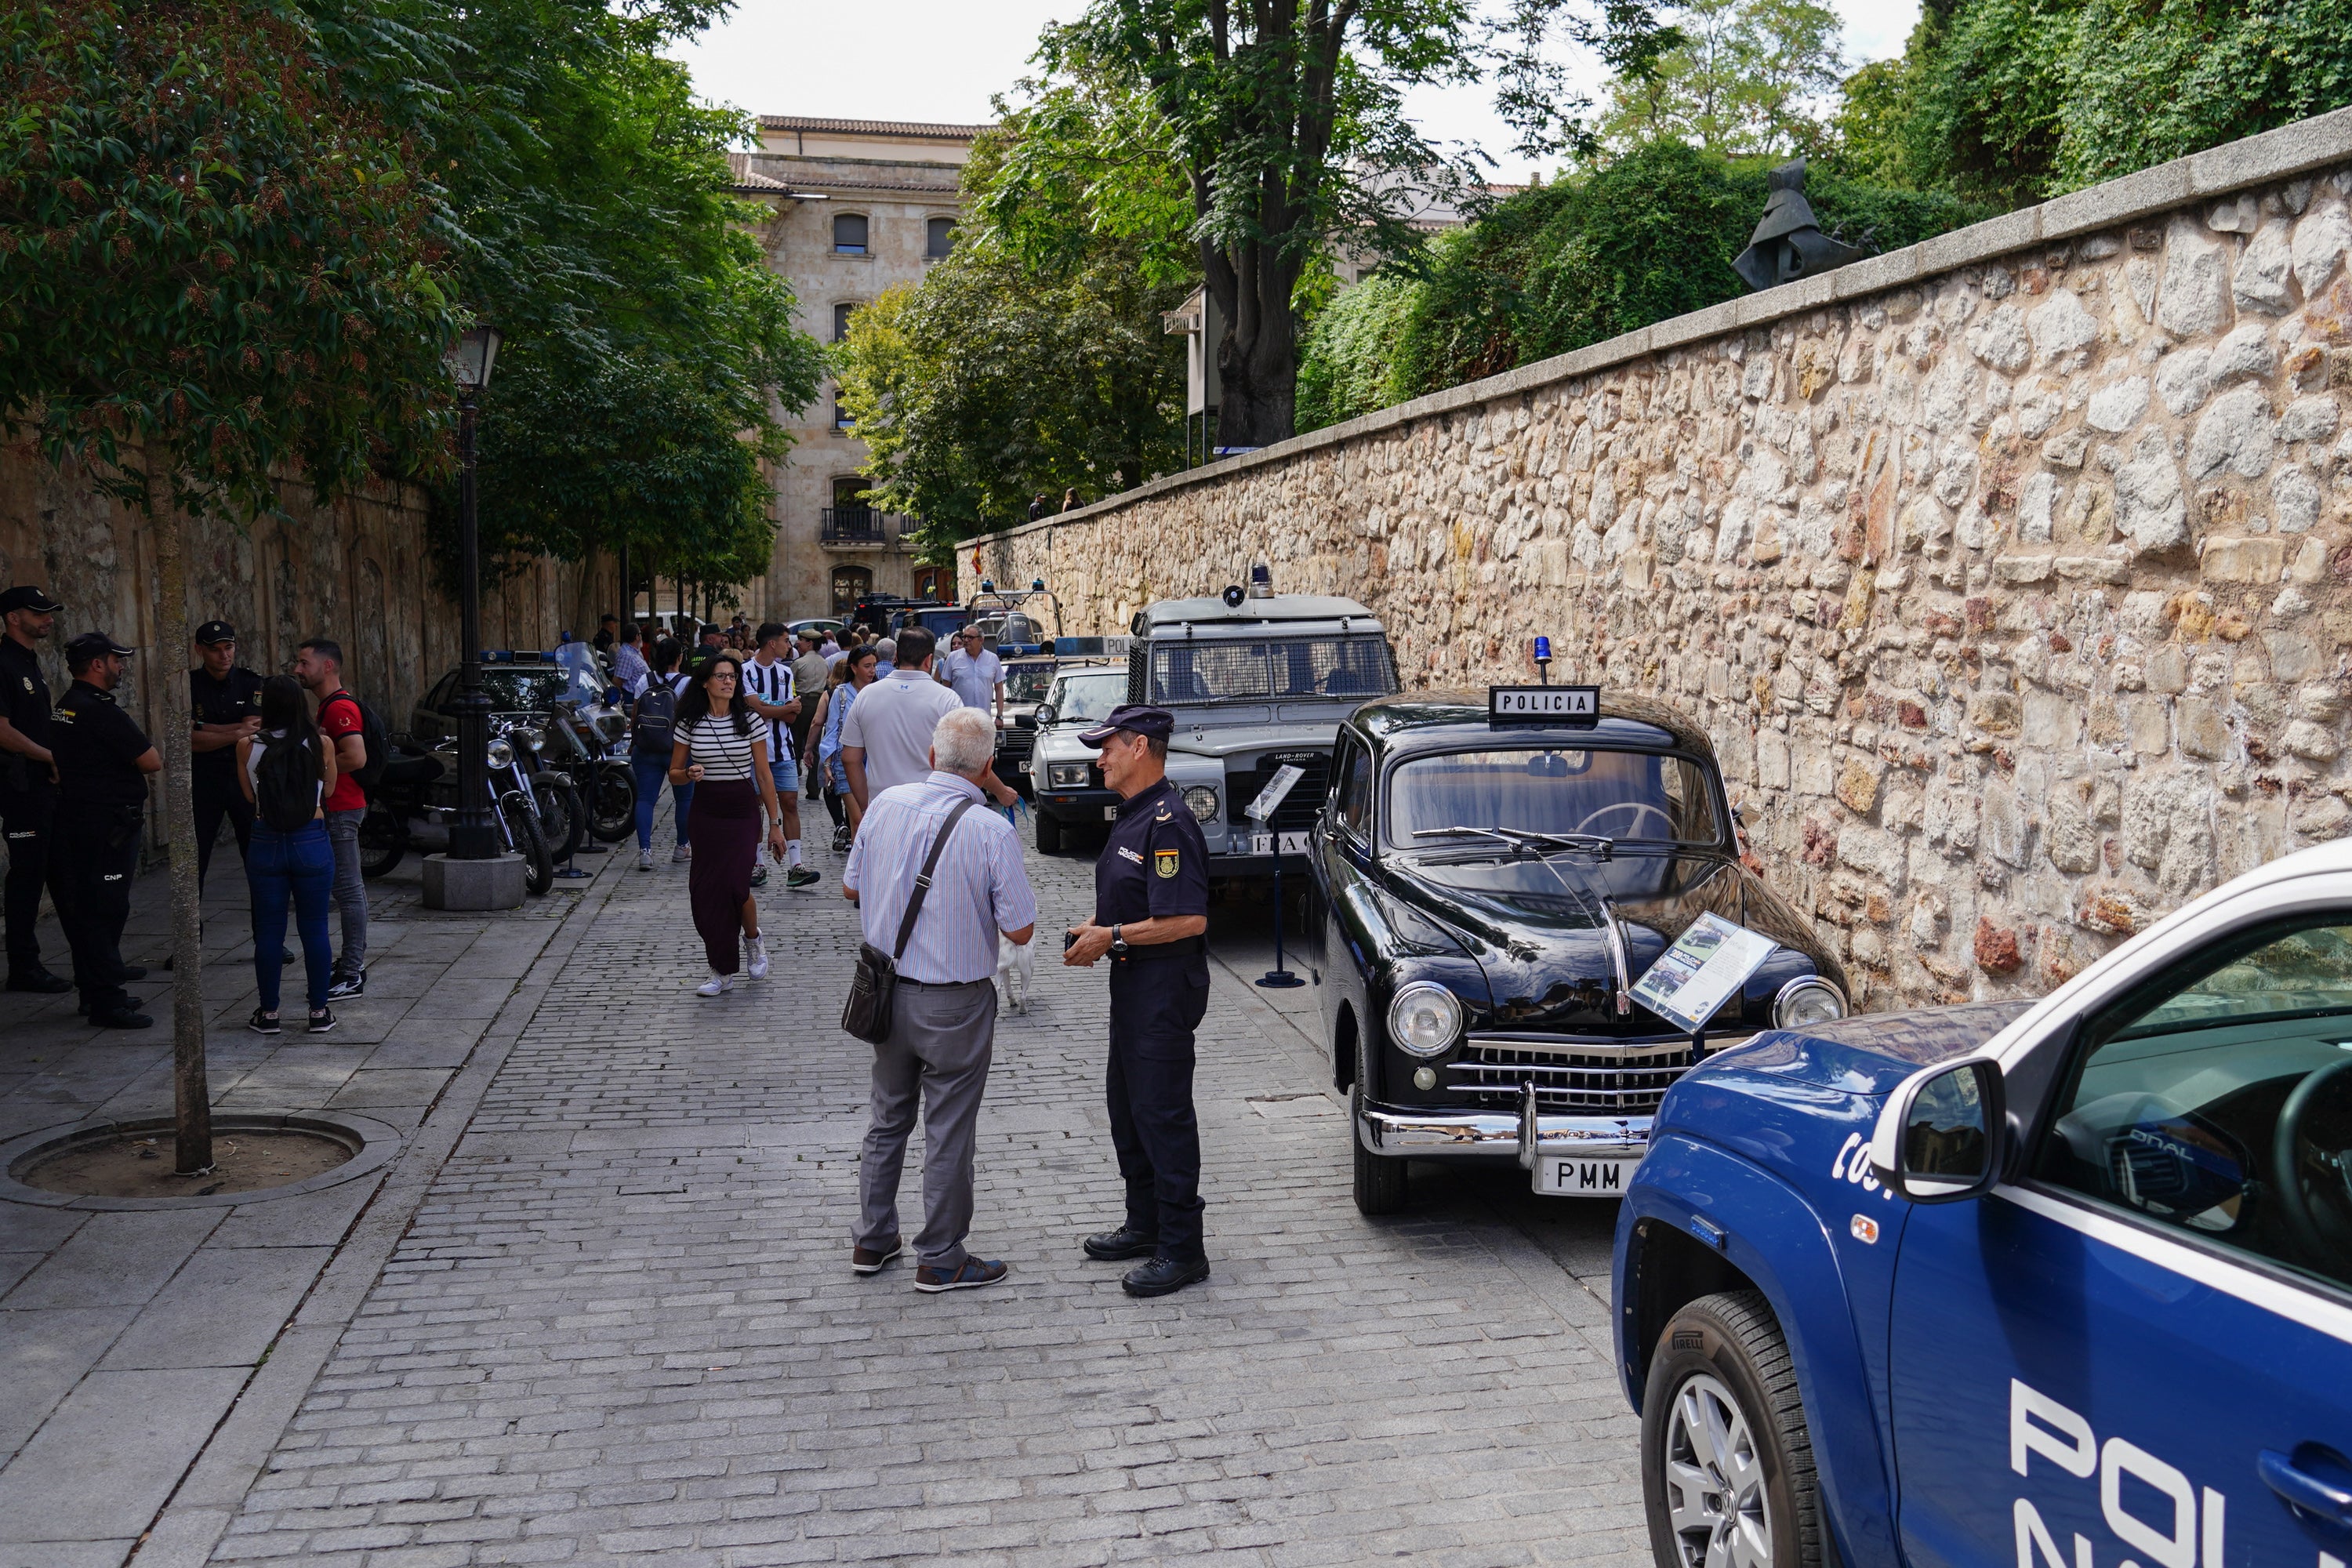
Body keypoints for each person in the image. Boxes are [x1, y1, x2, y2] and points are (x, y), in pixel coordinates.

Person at [843, 706, 1037, 1293]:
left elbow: (852, 885)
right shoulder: (989, 829)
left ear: (932, 757)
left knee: (887, 1119)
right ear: (985, 769)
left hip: (885, 992)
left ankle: (873, 1240)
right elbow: (1021, 929)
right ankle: (942, 1255)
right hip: (953, 1002)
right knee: (949, 1127)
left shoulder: (884, 806)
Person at [1062, 704, 1213, 1298]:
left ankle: (1183, 1248)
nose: (1100, 758)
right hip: (1132, 983)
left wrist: (1113, 937)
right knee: (1127, 1107)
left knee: (1164, 1114)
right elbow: (1135, 895)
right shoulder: (1132, 815)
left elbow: (1189, 918)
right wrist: (1097, 926)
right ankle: (1145, 1223)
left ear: (1141, 749)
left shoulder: (1169, 822)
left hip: (1163, 986)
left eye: (1108, 748)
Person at [50, 632, 162, 1029]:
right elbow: (151, 761)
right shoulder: (99, 710)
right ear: (97, 664)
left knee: (92, 907)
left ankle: (96, 987)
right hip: (106, 826)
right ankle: (107, 1002)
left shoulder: (65, 706)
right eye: (116, 659)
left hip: (81, 821)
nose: (121, 666)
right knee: (105, 909)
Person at [669, 651, 786, 996]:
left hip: (741, 810)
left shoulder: (749, 720)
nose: (729, 681)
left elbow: (764, 775)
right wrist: (687, 773)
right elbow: (673, 774)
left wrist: (775, 824)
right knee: (706, 893)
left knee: (736, 886)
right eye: (721, 676)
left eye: (733, 676)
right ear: (705, 682)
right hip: (705, 811)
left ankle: (753, 939)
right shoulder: (689, 723)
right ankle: (720, 970)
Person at [236, 673, 339, 1035]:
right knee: (315, 928)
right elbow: (330, 789)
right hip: (310, 839)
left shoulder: (247, 745)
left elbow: (249, 797)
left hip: (266, 840)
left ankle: (268, 1014)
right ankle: (318, 1011)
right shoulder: (321, 743)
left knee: (268, 931)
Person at [841, 627, 1017, 812]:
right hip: (933, 808)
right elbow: (969, 760)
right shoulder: (947, 699)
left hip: (882, 806)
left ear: (897, 656)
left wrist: (866, 805)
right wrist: (1002, 791)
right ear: (928, 660)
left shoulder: (866, 696)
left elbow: (850, 759)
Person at [292, 638, 370, 999]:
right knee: (345, 890)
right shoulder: (327, 707)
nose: (297, 669)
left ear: (327, 667)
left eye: (304, 663)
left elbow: (356, 757)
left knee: (349, 891)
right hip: (339, 807)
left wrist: (315, 770)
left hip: (341, 808)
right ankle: (351, 966)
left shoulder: (339, 708)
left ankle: (352, 972)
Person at [0, 584, 68, 993]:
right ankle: (23, 966)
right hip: (20, 786)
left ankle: (94, 958)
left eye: (49, 612)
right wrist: (48, 756)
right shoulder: (4, 663)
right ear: (13, 617)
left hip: (41, 784)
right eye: (39, 612)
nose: (48, 618)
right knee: (27, 874)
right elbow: (2, 730)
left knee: (60, 871)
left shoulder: (28, 661)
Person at [187, 621, 263, 898]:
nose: (224, 655)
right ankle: (193, 934)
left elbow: (253, 730)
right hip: (204, 779)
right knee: (196, 858)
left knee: (256, 858)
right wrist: (236, 731)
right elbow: (188, 739)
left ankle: (264, 936)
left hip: (243, 777)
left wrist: (205, 729)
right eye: (215, 650)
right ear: (199, 650)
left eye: (228, 648)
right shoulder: (189, 684)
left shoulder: (250, 682)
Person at [739, 622, 818, 891]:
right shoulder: (744, 671)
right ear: (772, 643)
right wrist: (777, 708)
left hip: (783, 749)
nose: (790, 645)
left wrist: (767, 708)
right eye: (786, 640)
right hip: (752, 752)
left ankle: (796, 865)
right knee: (756, 807)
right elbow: (753, 709)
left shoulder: (785, 672)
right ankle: (757, 863)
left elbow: (793, 713)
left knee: (790, 804)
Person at [630, 638, 694, 869]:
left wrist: (635, 742)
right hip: (679, 748)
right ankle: (681, 847)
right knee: (685, 799)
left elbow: (635, 715)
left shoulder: (643, 680)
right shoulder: (688, 683)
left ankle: (645, 851)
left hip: (646, 748)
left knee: (646, 799)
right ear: (679, 657)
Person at [808, 645, 877, 848]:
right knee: (857, 819)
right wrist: (827, 763)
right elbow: (833, 730)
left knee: (869, 819)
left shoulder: (879, 692)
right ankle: (857, 872)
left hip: (874, 760)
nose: (872, 670)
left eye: (874, 665)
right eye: (867, 666)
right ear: (854, 668)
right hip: (845, 759)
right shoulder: (840, 694)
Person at [789, 630, 829, 799]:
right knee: (815, 744)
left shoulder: (799, 663)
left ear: (810, 643)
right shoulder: (824, 663)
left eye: (802, 640)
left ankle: (791, 782)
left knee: (795, 742)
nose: (798, 643)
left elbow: (791, 683)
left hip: (802, 702)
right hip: (819, 703)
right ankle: (814, 788)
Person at [942, 626, 1006, 727]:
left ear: (981, 640)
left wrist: (1000, 716)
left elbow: (999, 688)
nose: (966, 640)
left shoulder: (992, 659)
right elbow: (945, 689)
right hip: (958, 721)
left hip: (983, 720)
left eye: (970, 637)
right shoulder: (953, 658)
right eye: (965, 637)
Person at [611, 620, 650, 698]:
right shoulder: (626, 655)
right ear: (637, 636)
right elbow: (617, 681)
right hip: (633, 699)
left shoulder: (634, 652)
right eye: (640, 634)